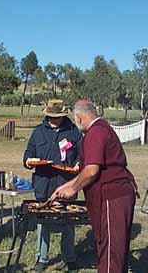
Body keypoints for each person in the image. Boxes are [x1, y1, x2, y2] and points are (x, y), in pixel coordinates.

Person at [53, 100, 138, 273]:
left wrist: (73, 189)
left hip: (112, 196)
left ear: (79, 118)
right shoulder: (101, 128)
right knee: (110, 249)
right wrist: (66, 185)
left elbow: (92, 170)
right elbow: (86, 171)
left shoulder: (96, 133)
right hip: (113, 196)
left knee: (111, 254)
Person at [23, 99, 82, 272]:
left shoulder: (73, 132)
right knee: (43, 224)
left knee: (68, 222)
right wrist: (29, 161)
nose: (55, 119)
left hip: (66, 184)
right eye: (52, 116)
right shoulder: (38, 132)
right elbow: (28, 154)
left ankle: (69, 257)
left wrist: (79, 164)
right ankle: (41, 258)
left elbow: (82, 154)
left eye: (58, 117)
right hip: (43, 184)